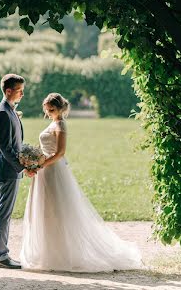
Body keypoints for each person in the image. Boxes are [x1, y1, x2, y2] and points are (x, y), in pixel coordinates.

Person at [20, 92, 143, 272]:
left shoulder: (60, 124)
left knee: (58, 209)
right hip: (44, 169)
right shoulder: (53, 122)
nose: (47, 112)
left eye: (51, 109)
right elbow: (46, 147)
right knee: (46, 210)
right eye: (46, 109)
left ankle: (63, 253)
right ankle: (49, 252)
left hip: (53, 170)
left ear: (60, 108)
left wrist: (40, 165)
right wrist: (32, 162)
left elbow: (60, 152)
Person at [0, 73, 35, 269]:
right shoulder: (2, 113)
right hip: (7, 170)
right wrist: (23, 167)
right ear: (9, 91)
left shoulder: (10, 110)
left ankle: (1, 254)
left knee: (6, 213)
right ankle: (0, 255)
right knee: (4, 213)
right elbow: (5, 148)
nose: (22, 94)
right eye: (19, 91)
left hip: (11, 169)